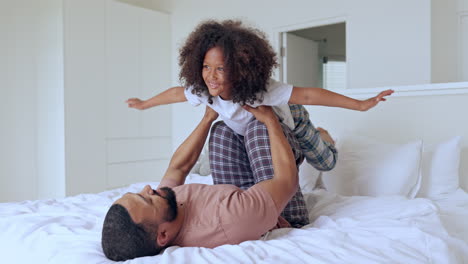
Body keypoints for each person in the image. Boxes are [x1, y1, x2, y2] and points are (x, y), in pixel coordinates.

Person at [125, 19, 393, 227]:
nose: (211, 76)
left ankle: (324, 136)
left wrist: (360, 104)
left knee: (325, 162)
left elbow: (309, 94)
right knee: (223, 131)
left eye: (220, 68)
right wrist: (145, 103)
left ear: (239, 68)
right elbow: (176, 93)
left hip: (290, 121)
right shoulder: (204, 90)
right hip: (245, 135)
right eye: (206, 67)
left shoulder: (261, 91)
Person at [102, 105, 331, 261]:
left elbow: (178, 167)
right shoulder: (227, 218)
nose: (148, 189)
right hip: (283, 213)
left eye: (140, 192)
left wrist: (208, 116)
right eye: (147, 199)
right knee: (259, 128)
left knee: (221, 130)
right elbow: (286, 181)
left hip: (244, 197)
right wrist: (271, 120)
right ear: (163, 236)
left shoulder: (166, 209)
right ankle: (324, 139)